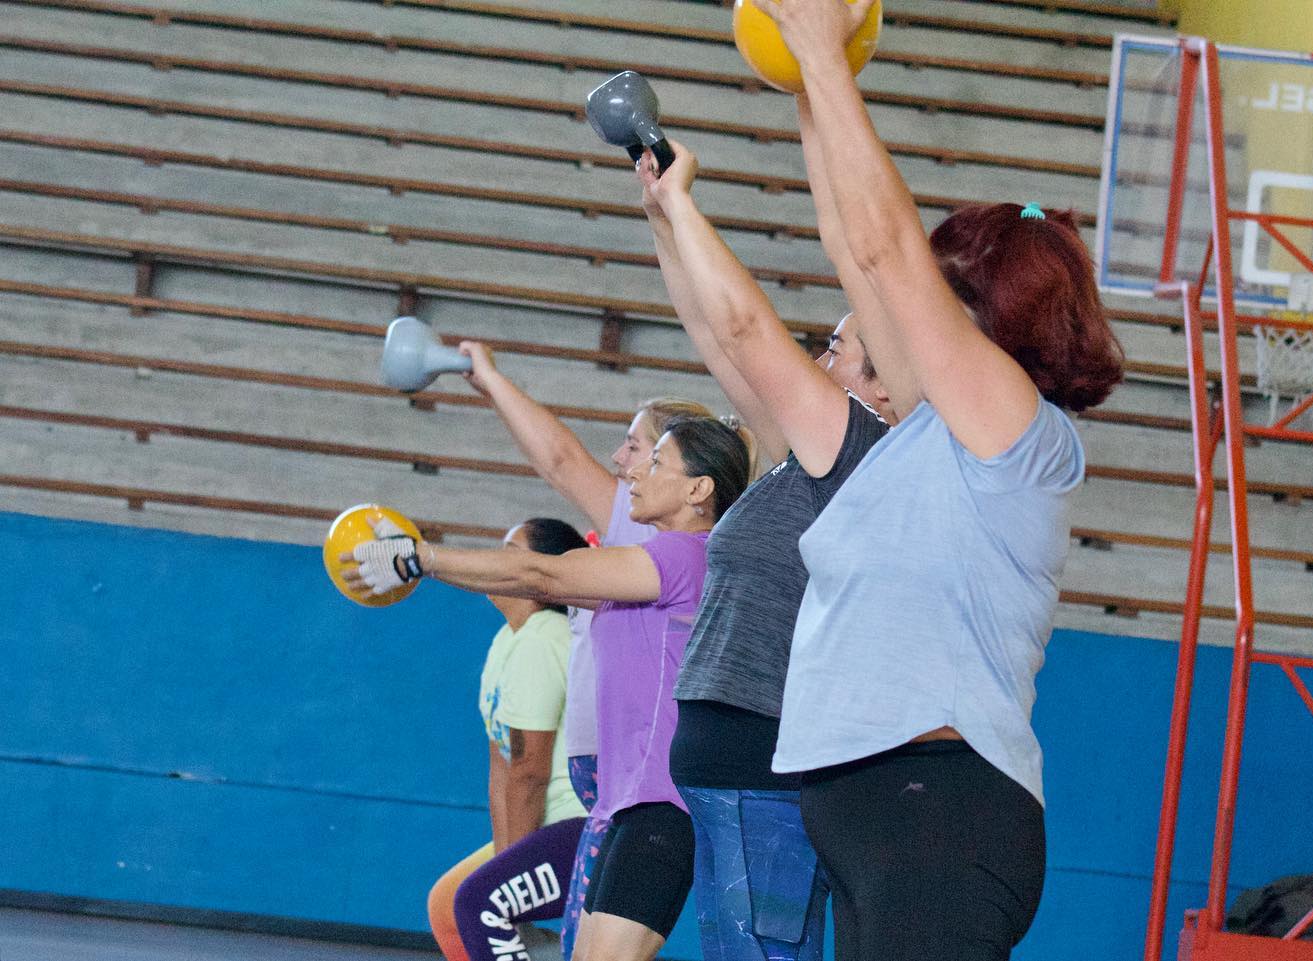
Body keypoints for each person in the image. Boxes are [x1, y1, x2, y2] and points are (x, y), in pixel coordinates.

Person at [751, 2, 1127, 960]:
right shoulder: (930, 426)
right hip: (883, 815)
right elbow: (851, 240)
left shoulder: (1018, 427)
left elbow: (883, 251)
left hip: (945, 815)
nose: (902, 307)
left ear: (990, 316)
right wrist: (805, 75)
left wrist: (829, 61)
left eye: (940, 290)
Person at [346, 416, 753, 961]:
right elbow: (527, 576)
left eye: (656, 462)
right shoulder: (644, 573)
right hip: (627, 806)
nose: (635, 472)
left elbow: (541, 577)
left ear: (699, 489)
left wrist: (421, 557)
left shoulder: (683, 557)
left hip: (663, 807)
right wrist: (423, 562)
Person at [634, 122, 896, 961]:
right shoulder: (798, 459)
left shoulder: (859, 452)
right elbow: (718, 342)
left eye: (837, 348)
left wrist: (686, 204)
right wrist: (661, 217)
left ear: (879, 382)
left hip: (763, 758)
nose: (820, 357)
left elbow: (749, 331)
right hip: (729, 761)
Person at [450, 341, 713, 959]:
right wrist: (489, 380)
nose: (620, 457)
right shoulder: (633, 523)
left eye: (636, 444)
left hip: (638, 787)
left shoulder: (676, 550)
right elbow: (556, 458)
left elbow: (562, 466)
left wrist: (425, 557)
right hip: (610, 781)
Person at [425, 517, 590, 961]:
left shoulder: (546, 638)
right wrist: (506, 859)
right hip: (547, 825)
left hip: (583, 825)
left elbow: (530, 769)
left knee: (475, 905)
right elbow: (502, 763)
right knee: (449, 905)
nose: (496, 561)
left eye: (510, 553)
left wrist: (507, 871)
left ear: (542, 574)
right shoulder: (507, 640)